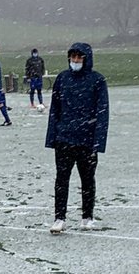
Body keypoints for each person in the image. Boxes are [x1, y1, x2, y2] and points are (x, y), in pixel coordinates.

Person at [45, 42, 109, 233]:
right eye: (73, 57)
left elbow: (102, 112)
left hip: (87, 141)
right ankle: (59, 218)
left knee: (87, 180)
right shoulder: (62, 79)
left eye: (79, 57)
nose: (75, 60)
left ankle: (87, 217)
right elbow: (55, 109)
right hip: (64, 139)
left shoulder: (97, 81)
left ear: (86, 59)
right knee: (61, 180)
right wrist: (52, 137)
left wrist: (98, 141)